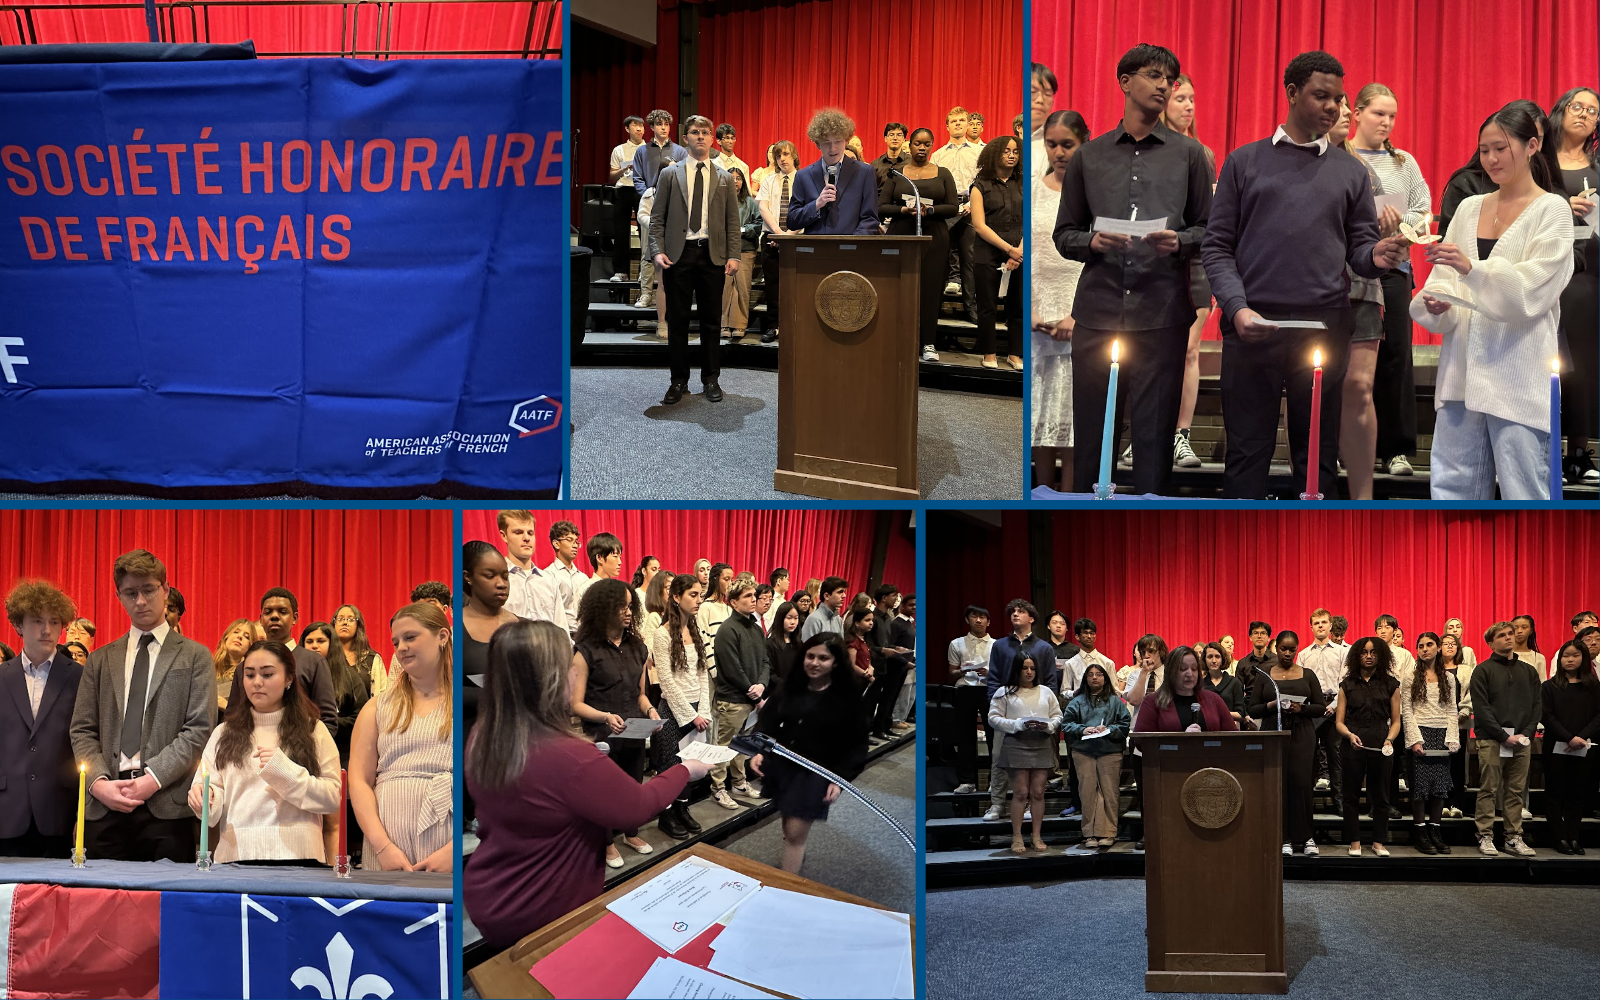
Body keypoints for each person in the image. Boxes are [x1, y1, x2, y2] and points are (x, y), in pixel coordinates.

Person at [1205, 52, 1408, 498]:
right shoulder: (1244, 162)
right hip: (1252, 327)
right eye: (1321, 96)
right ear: (1292, 93)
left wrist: (1380, 254)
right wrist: (1237, 310)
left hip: (1324, 328)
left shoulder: (1352, 172)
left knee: (1316, 460)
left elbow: (1358, 252)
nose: (1333, 107)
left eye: (1338, 99)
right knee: (1245, 457)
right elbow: (1217, 247)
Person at [464, 620, 715, 949]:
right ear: (550, 678)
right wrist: (684, 770)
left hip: (494, 892)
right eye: (569, 667)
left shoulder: (486, 733)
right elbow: (635, 808)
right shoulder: (567, 756)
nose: (575, 674)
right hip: (542, 906)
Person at [1056, 43, 1214, 496]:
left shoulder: (1190, 155)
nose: (1165, 85)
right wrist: (1092, 241)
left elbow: (1212, 230)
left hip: (1161, 312)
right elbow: (1064, 233)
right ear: (1125, 82)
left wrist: (1179, 241)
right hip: (1097, 310)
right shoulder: (1090, 156)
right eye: (1154, 75)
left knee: (1153, 438)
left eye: (1171, 79)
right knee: (1092, 437)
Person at [1411, 102, 1575, 500]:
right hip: (1461, 375)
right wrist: (1438, 303)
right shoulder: (1468, 207)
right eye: (1484, 150)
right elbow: (1444, 279)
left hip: (1518, 374)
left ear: (1533, 145)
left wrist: (1474, 270)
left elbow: (1529, 294)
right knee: (1451, 492)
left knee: (1527, 491)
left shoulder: (1553, 210)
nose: (1491, 159)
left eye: (1501, 148)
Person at [69, 549, 215, 863]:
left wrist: (152, 779)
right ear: (119, 596)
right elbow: (82, 729)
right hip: (105, 806)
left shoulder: (195, 656)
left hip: (166, 807)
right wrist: (99, 783)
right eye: (130, 593)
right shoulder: (100, 659)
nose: (140, 601)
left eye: (148, 590)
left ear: (165, 590)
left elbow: (198, 729)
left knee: (165, 907)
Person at [1342, 83, 1433, 478]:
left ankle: (1394, 450)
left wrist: (1400, 227)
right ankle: (1344, 444)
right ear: (1357, 113)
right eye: (1379, 113)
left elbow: (1424, 209)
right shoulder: (1339, 156)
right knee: (1346, 362)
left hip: (1394, 267)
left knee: (1396, 354)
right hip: (1344, 270)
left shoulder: (1404, 163)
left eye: (1392, 115)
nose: (1387, 122)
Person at [189, 640, 341, 863]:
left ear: (289, 679)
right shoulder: (224, 732)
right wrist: (204, 797)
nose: (257, 682)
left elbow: (332, 797)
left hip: (299, 859)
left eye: (267, 675)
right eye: (250, 675)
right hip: (237, 857)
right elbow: (212, 793)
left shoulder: (313, 730)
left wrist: (285, 771)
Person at [749, 634, 869, 874]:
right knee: (788, 821)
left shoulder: (847, 697)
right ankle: (794, 859)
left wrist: (840, 779)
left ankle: (786, 887)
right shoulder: (791, 687)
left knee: (795, 833)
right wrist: (761, 750)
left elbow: (856, 744)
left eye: (823, 658)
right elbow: (767, 721)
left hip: (817, 771)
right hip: (783, 765)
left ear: (836, 662)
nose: (814, 663)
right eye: (810, 656)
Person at [350, 602, 452, 873]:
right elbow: (359, 781)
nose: (401, 647)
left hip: (449, 850)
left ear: (442, 636)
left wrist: (454, 853)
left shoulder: (467, 704)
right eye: (396, 642)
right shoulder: (376, 707)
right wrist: (383, 847)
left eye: (410, 637)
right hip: (385, 851)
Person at [649, 114, 741, 406]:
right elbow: (657, 219)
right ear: (685, 138)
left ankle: (711, 379)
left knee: (712, 322)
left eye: (705, 132)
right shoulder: (669, 174)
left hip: (712, 256)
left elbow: (731, 222)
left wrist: (734, 255)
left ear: (712, 139)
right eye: (694, 132)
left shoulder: (725, 178)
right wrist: (657, 250)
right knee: (677, 321)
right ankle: (678, 381)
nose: (700, 136)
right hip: (679, 255)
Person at [1325, 95, 1390, 499]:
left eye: (1348, 107)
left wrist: (1389, 228)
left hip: (1363, 288)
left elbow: (1378, 239)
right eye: (1338, 105)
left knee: (1359, 387)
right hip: (1306, 290)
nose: (1346, 113)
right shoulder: (1285, 162)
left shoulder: (1363, 171)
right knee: (1308, 388)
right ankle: (1310, 488)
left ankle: (1361, 498)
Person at [567, 579, 653, 866]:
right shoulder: (585, 650)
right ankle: (605, 842)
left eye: (631, 606)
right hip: (602, 732)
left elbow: (640, 696)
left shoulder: (638, 647)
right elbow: (575, 703)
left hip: (635, 730)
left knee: (633, 786)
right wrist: (605, 716)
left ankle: (630, 832)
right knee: (603, 791)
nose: (628, 612)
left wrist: (651, 710)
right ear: (603, 608)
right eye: (621, 606)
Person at [1161, 73, 1217, 472]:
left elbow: (1209, 219)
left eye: (1193, 99)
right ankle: (1148, 434)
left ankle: (1180, 436)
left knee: (1189, 350)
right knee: (1152, 357)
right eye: (1181, 98)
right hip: (1154, 263)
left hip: (1195, 263)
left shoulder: (1203, 153)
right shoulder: (1147, 152)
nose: (1189, 106)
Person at [1, 579, 82, 858]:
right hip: (6, 813)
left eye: (55, 621)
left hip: (61, 812)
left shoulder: (80, 677)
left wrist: (84, 814)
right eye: (37, 621)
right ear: (18, 626)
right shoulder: (1, 678)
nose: (47, 630)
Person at [1032, 110, 1089, 491]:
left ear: (1084, 142)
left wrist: (1077, 315)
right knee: (1038, 413)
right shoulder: (1035, 189)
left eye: (1068, 145)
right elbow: (1031, 254)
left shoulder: (1094, 192)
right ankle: (1037, 491)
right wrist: (1032, 311)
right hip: (1039, 307)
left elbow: (1102, 258)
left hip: (1079, 308)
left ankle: (1069, 493)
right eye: (1052, 144)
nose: (1059, 152)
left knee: (1072, 413)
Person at [1548, 87, 1600, 484]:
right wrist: (1564, 207)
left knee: (1583, 358)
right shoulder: (1541, 160)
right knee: (1552, 356)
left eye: (1593, 112)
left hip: (1591, 271)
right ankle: (1546, 447)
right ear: (1562, 111)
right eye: (1578, 107)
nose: (1584, 115)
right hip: (1549, 265)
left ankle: (1579, 452)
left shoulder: (1597, 163)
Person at [880, 126, 958, 362]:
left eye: (926, 144)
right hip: (901, 233)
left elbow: (953, 207)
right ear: (909, 145)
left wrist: (930, 210)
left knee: (931, 289)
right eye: (917, 143)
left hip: (934, 236)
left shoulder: (943, 173)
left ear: (932, 146)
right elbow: (882, 206)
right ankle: (898, 339)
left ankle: (928, 343)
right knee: (898, 288)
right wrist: (904, 209)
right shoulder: (897, 173)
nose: (922, 148)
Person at [1247, 630, 1325, 856]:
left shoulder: (1308, 674)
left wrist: (1302, 709)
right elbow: (1252, 708)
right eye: (1283, 649)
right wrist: (1272, 706)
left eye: (1292, 649)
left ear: (1297, 649)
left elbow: (1320, 707)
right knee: (1277, 783)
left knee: (1301, 783)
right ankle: (1284, 837)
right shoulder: (1265, 675)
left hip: (1302, 732)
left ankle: (1307, 837)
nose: (1288, 653)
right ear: (1276, 648)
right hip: (1274, 731)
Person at [646, 573, 711, 840]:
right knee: (671, 766)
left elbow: (702, 674)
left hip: (696, 709)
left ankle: (683, 809)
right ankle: (667, 815)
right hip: (674, 710)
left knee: (691, 764)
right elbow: (667, 682)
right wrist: (691, 715)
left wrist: (704, 711)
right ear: (676, 597)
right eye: (692, 595)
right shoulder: (662, 634)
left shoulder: (695, 630)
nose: (698, 600)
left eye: (700, 595)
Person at [1468, 621, 1541, 857]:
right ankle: (1485, 835)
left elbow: (1536, 705)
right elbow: (1481, 708)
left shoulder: (1528, 671)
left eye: (1511, 634)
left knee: (1516, 790)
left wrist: (1526, 734)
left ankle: (1513, 837)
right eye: (1502, 635)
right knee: (1489, 788)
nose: (1509, 637)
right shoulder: (1482, 670)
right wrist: (1502, 736)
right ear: (1490, 642)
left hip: (1521, 740)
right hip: (1492, 739)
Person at [982, 600, 1057, 822]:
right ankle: (996, 804)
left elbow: (1051, 681)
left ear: (1031, 618)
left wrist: (1047, 710)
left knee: (1031, 762)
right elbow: (993, 677)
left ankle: (1025, 805)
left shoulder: (1044, 647)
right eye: (1012, 611)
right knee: (998, 758)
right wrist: (996, 702)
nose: (1015, 614)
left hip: (1036, 708)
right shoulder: (1000, 645)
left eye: (1021, 611)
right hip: (1007, 707)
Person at [987, 654, 1062, 854]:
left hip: (1041, 743)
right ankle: (1017, 836)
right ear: (1017, 670)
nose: (1029, 672)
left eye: (1032, 668)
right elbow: (993, 718)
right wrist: (1016, 724)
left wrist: (1048, 725)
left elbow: (1057, 715)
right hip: (1016, 744)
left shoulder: (1045, 691)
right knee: (1020, 792)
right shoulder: (1004, 692)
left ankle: (1036, 835)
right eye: (1025, 668)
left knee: (1038, 792)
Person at [1334, 637, 1401, 856]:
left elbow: (1396, 721)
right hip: (1353, 743)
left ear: (1381, 656)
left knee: (1381, 796)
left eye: (1373, 652)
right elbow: (1339, 722)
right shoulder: (1347, 684)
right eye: (1364, 652)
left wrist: (1389, 739)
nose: (1369, 656)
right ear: (1357, 656)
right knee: (1351, 796)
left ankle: (1378, 843)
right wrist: (1349, 735)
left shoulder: (1391, 684)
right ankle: (1354, 842)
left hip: (1382, 744)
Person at [709, 578, 769, 809]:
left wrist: (762, 685)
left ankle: (739, 783)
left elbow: (765, 661)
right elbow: (733, 668)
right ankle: (718, 789)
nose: (753, 599)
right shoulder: (727, 629)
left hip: (752, 698)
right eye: (747, 596)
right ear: (733, 602)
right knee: (723, 746)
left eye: (754, 594)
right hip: (733, 699)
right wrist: (754, 692)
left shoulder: (755, 628)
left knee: (743, 746)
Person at [968, 135, 1025, 371]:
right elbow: (979, 225)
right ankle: (989, 353)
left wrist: (1019, 250)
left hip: (1022, 249)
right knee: (987, 304)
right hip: (989, 249)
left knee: (1019, 305)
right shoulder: (979, 185)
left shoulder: (1024, 183)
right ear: (994, 154)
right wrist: (1009, 249)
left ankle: (1015, 354)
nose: (1012, 155)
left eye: (1015, 151)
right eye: (1006, 151)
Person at [1060, 663, 1130, 849]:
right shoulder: (1078, 701)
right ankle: (1089, 833)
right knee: (1088, 792)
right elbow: (1066, 724)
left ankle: (1108, 833)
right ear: (1085, 679)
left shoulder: (1115, 701)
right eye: (1090, 674)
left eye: (1099, 674)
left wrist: (1109, 729)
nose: (1094, 677)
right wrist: (1084, 729)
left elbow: (1124, 723)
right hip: (1084, 752)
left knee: (1109, 793)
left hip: (1110, 751)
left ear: (1105, 678)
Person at [1403, 631, 1459, 854]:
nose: (1425, 649)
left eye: (1429, 645)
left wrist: (1452, 737)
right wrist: (1415, 740)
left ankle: (1435, 830)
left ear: (1438, 648)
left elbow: (1452, 710)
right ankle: (1420, 832)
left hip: (1442, 734)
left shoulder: (1449, 678)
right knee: (1420, 787)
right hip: (1421, 734)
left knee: (1439, 787)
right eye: (1421, 646)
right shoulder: (1410, 677)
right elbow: (1407, 710)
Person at [1542, 640, 1600, 854]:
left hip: (1584, 746)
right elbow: (1546, 716)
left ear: (1583, 658)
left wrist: (1581, 737)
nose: (1570, 659)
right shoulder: (1549, 686)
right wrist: (1568, 737)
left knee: (1577, 792)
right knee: (1555, 791)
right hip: (1555, 745)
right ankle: (1559, 838)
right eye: (1566, 655)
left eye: (1575, 655)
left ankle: (1574, 836)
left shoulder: (1593, 687)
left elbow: (1598, 716)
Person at [787, 108, 880, 236]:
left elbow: (870, 219)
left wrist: (852, 245)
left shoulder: (865, 172)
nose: (833, 148)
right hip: (814, 251)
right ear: (817, 144)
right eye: (826, 143)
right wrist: (816, 205)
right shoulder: (803, 176)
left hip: (851, 251)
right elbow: (792, 221)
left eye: (838, 141)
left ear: (846, 141)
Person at [258, 588, 338, 734]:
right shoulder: (247, 666)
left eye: (282, 611)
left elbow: (328, 721)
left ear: (295, 618)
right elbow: (234, 717)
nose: (274, 616)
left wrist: (301, 753)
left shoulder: (315, 662)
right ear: (261, 619)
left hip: (301, 752)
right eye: (268, 612)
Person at [631, 109, 687, 312]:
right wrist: (648, 193)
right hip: (651, 202)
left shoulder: (680, 152)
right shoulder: (642, 151)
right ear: (652, 127)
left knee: (673, 251)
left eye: (667, 124)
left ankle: (673, 293)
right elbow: (637, 178)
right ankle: (645, 292)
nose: (663, 127)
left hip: (674, 205)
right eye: (659, 124)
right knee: (648, 252)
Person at [933, 106, 983, 324]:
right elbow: (933, 186)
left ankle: (972, 312)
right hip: (946, 210)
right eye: (954, 121)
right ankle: (935, 311)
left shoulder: (979, 152)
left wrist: (974, 204)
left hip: (970, 208)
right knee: (940, 260)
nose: (959, 124)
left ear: (967, 123)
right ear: (947, 126)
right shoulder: (938, 155)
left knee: (969, 262)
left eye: (962, 120)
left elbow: (983, 182)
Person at [755, 140, 801, 343]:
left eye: (786, 154)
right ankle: (773, 326)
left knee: (797, 285)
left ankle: (796, 326)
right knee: (772, 286)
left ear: (794, 156)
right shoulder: (768, 181)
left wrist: (788, 235)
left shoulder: (804, 179)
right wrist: (777, 234)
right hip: (771, 238)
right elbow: (763, 208)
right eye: (778, 155)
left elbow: (808, 211)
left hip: (796, 238)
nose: (782, 159)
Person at [1298, 608, 1346, 800]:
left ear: (1330, 625)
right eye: (1316, 623)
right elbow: (1300, 684)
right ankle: (1306, 801)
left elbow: (1345, 683)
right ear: (1311, 627)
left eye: (1324, 622)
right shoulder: (1303, 655)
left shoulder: (1342, 652)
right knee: (1309, 754)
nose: (1320, 626)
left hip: (1336, 706)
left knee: (1336, 755)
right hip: (1311, 708)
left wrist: (1334, 705)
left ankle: (1339, 801)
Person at [1134, 645, 1239, 733]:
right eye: (1183, 669)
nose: (1189, 674)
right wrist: (1182, 739)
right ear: (1171, 671)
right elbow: (1141, 742)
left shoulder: (1214, 699)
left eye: (1194, 669)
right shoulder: (1152, 702)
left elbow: (1232, 736)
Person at [948, 605, 993, 795]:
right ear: (968, 620)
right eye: (974, 616)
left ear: (988, 622)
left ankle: (995, 780)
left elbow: (1003, 674)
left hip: (989, 690)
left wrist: (989, 673)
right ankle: (967, 781)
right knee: (965, 737)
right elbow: (952, 672)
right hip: (965, 689)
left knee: (993, 736)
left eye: (983, 617)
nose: (979, 620)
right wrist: (963, 671)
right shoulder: (956, 643)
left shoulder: (997, 645)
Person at [498, 510, 567, 632]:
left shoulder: (549, 580)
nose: (526, 538)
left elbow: (561, 628)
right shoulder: (497, 580)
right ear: (504, 535)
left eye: (530, 533)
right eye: (518, 532)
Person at [721, 167, 763, 343]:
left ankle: (739, 325)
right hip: (723, 251)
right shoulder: (719, 200)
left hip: (745, 249)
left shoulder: (749, 202)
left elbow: (759, 222)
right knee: (724, 289)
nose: (735, 181)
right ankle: (722, 324)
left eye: (738, 178)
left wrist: (744, 230)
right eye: (732, 178)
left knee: (742, 289)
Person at [608, 115, 645, 282]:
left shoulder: (650, 149)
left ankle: (644, 271)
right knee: (621, 231)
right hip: (623, 190)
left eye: (641, 126)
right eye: (635, 126)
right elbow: (612, 176)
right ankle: (620, 271)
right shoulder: (619, 150)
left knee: (645, 231)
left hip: (642, 191)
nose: (639, 129)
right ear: (627, 129)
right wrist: (625, 169)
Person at [333, 603, 390, 698]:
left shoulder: (373, 659)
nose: (345, 622)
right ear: (334, 624)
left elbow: (384, 696)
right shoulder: (325, 657)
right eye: (340, 619)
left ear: (358, 625)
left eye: (351, 619)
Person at [545, 520, 585, 625]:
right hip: (561, 634)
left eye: (576, 541)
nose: (575, 545)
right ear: (556, 544)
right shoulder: (548, 575)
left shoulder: (583, 578)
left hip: (584, 634)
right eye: (569, 540)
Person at [211, 617, 254, 716]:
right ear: (226, 637)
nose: (239, 637)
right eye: (236, 632)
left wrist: (226, 705)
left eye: (246, 636)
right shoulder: (208, 668)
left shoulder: (247, 676)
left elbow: (249, 716)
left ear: (250, 647)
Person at [1201, 641, 1246, 728]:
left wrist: (1219, 713)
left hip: (1228, 731)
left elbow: (1241, 714)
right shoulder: (1200, 684)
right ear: (1204, 660)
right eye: (1210, 657)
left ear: (1223, 659)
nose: (1214, 660)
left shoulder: (1234, 682)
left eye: (1217, 657)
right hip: (1206, 731)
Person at [767, 600, 802, 691]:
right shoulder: (770, 644)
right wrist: (786, 685)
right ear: (780, 618)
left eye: (796, 618)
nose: (793, 622)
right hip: (777, 692)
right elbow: (769, 673)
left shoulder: (799, 644)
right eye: (789, 618)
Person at [800, 575, 847, 640]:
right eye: (840, 592)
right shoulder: (814, 619)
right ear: (826, 596)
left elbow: (841, 646)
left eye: (844, 592)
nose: (844, 595)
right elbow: (806, 648)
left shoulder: (838, 619)